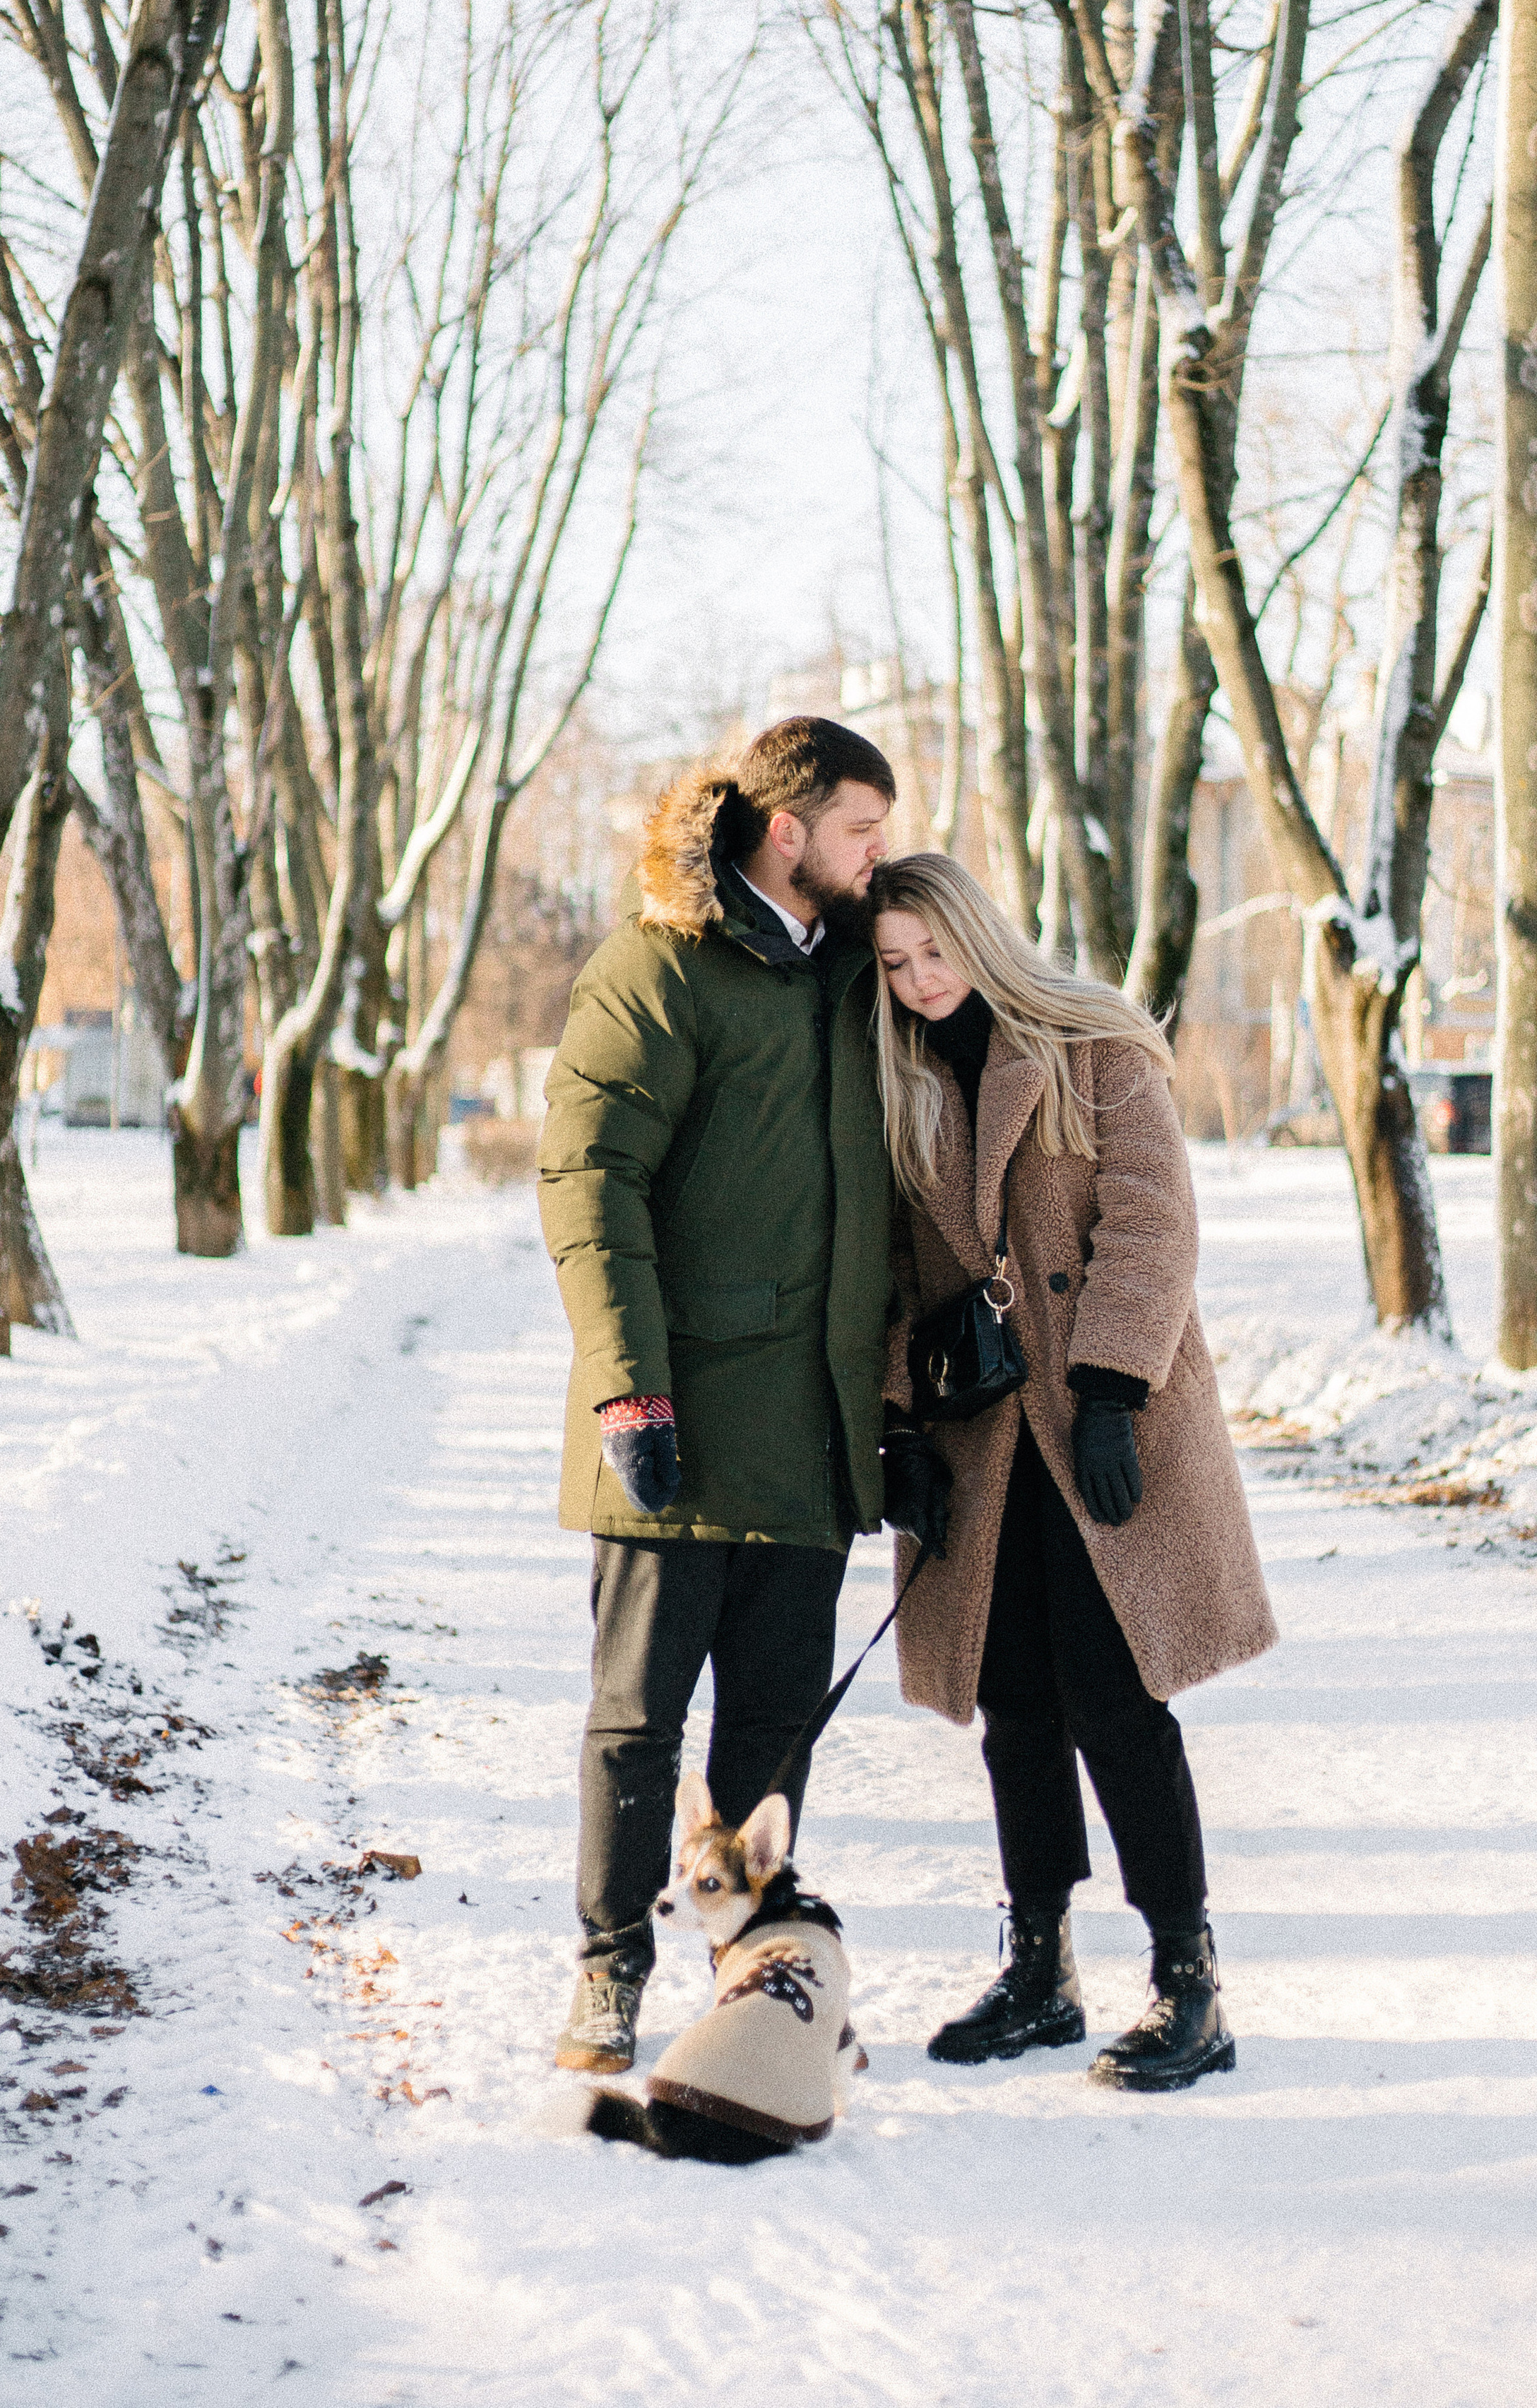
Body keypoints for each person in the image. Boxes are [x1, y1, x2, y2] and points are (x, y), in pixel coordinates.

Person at [539, 717, 937, 2073]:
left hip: (813, 1439)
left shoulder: (853, 977)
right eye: (860, 832)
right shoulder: (659, 969)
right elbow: (592, 1187)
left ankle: (753, 1971)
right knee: (639, 1728)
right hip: (678, 1423)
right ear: (789, 830)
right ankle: (607, 1976)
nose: (879, 856)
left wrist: (897, 1414)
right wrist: (628, 1395)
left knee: (773, 1739)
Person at [870, 852, 1278, 2090]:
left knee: (1117, 1699)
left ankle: (1187, 1980)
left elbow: (1154, 1221)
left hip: (1108, 1420)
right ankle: (1040, 1967)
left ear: (981, 937)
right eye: (894, 964)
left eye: (935, 952)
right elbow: (889, 1277)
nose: (921, 980)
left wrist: (1110, 1391)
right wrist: (897, 1430)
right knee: (1015, 1707)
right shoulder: (896, 1085)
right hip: (980, 1438)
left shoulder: (1090, 1042)